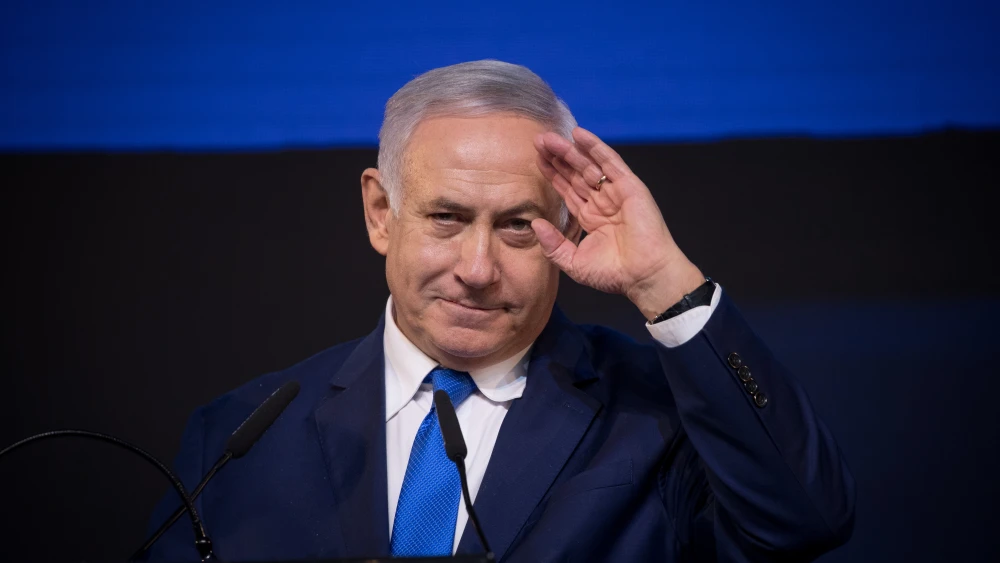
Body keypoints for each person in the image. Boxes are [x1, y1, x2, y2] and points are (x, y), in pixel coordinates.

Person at [146, 60, 855, 562]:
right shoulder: (240, 440)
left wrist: (664, 279)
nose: (478, 269)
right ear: (380, 212)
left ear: (568, 229)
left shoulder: (654, 420)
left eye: (518, 225)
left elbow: (805, 522)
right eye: (447, 217)